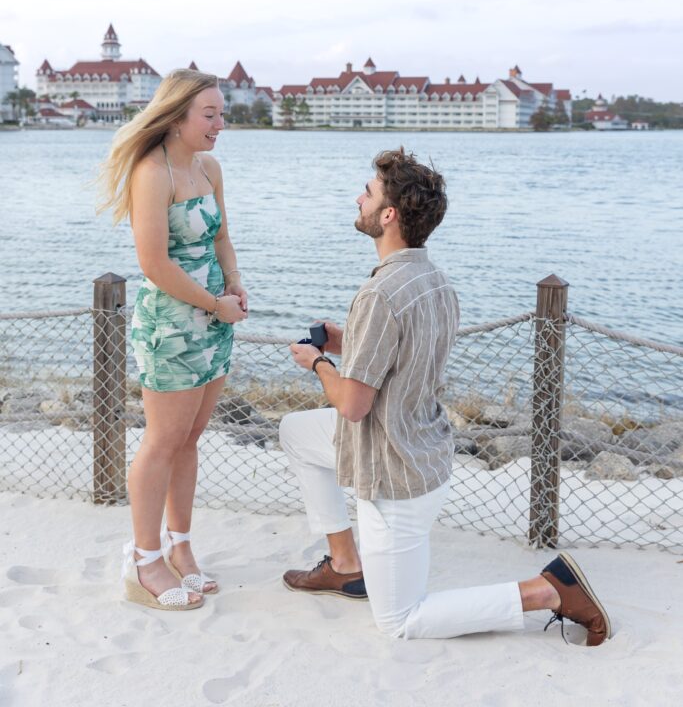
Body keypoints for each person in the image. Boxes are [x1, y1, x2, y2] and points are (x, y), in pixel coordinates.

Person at [280, 148, 610, 646]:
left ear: (388, 215)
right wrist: (346, 339)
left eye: (367, 193)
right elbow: (403, 354)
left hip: (394, 474)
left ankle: (547, 590)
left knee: (400, 621)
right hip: (424, 448)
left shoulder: (379, 293)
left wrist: (319, 362)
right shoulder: (434, 279)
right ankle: (345, 563)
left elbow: (351, 405)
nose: (358, 197)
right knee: (295, 432)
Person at [99, 69, 247, 611]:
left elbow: (222, 235)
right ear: (178, 115)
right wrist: (215, 304)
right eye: (209, 114)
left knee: (190, 440)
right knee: (162, 441)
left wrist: (233, 282)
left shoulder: (209, 167)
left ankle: (181, 548)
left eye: (221, 114)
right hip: (172, 324)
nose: (219, 124)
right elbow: (154, 264)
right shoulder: (151, 171)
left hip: (215, 321)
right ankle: (144, 560)